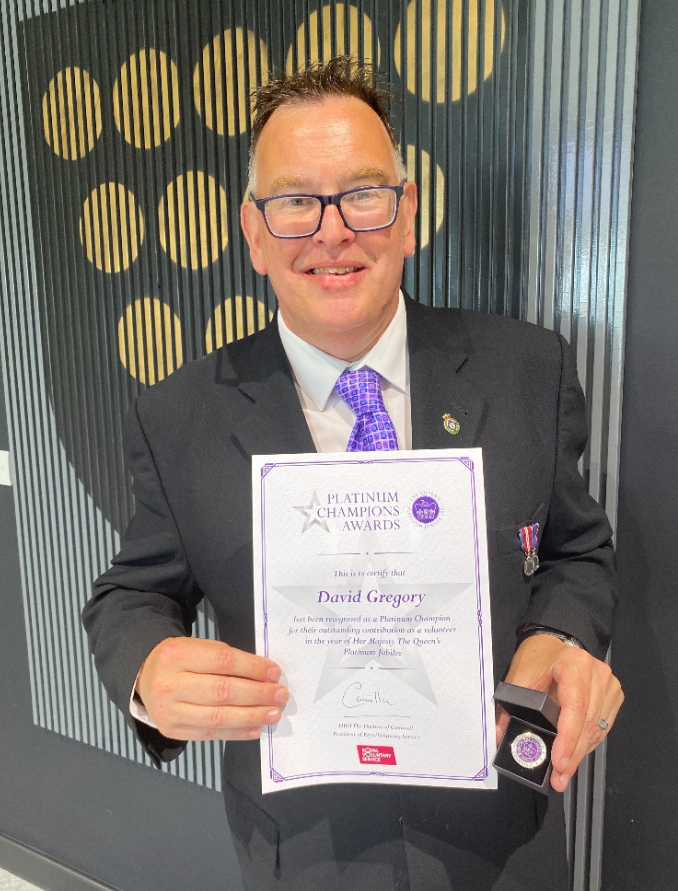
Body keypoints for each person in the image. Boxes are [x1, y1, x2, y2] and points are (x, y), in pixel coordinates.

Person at [83, 56, 623, 890]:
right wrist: (147, 671)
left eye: (364, 194)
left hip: (505, 843)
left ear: (407, 214)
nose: (332, 232)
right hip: (302, 852)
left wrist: (565, 636)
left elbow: (577, 553)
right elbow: (132, 591)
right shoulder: (179, 414)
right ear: (253, 233)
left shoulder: (528, 370)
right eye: (295, 202)